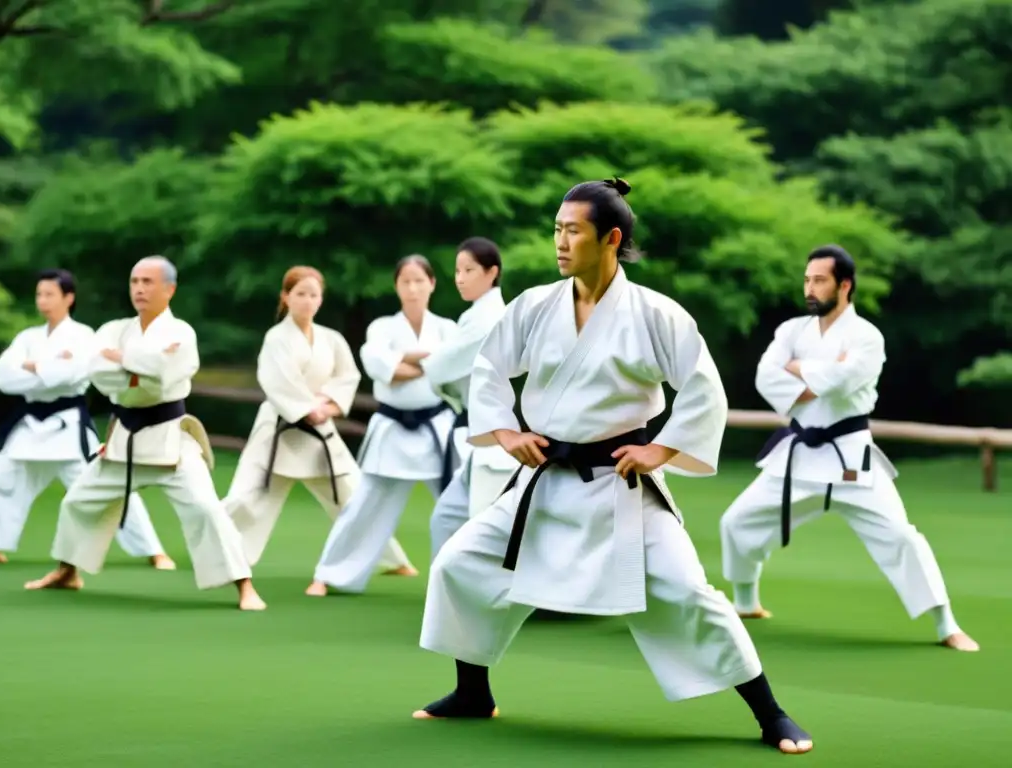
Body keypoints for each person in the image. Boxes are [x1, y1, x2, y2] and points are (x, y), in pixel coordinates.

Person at [413, 179, 813, 755]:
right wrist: (504, 430)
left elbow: (705, 390)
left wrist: (661, 448)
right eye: (557, 229)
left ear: (611, 238)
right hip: (544, 482)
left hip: (621, 486)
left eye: (572, 230)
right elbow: (489, 368)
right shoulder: (535, 306)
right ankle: (472, 692)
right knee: (459, 564)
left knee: (686, 591)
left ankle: (770, 712)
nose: (560, 241)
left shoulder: (654, 314)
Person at [718, 245, 978, 652]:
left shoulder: (867, 337)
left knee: (902, 538)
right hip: (799, 454)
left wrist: (798, 369)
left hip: (851, 459)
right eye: (806, 279)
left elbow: (841, 380)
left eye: (819, 280)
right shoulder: (791, 331)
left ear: (845, 285)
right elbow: (765, 377)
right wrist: (814, 373)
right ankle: (746, 602)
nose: (810, 287)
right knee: (736, 522)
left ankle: (947, 624)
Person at [24, 256, 265, 611]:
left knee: (206, 508)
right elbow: (98, 370)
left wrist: (124, 359)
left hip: (169, 437)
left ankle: (244, 586)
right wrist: (136, 364)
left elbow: (167, 371)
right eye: (135, 281)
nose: (139, 288)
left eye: (148, 282)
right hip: (124, 437)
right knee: (78, 501)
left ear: (170, 289)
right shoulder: (114, 329)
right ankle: (67, 571)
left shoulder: (181, 332)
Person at [222, 266, 416, 581]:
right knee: (247, 498)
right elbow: (278, 381)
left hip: (320, 433)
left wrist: (329, 406)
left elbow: (347, 375)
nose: (308, 301)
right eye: (301, 294)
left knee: (354, 495)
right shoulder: (276, 338)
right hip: (280, 430)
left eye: (314, 295)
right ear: (286, 297)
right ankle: (218, 550)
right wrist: (308, 408)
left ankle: (390, 558)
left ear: (321, 299)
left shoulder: (331, 338)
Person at [0, 268, 174, 570]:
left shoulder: (84, 335)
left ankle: (153, 550)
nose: (42, 300)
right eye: (39, 294)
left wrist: (33, 367)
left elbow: (72, 374)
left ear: (68, 298)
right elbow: (5, 377)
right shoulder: (28, 337)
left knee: (111, 484)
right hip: (30, 427)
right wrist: (46, 367)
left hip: (68, 427)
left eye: (49, 294)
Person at [306, 255, 457, 596]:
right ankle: (329, 574)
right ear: (396, 286)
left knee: (458, 503)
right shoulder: (381, 327)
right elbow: (379, 366)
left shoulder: (448, 328)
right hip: (392, 426)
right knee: (365, 503)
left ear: (432, 284)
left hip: (437, 427)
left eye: (420, 281)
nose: (413, 288)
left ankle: (461, 579)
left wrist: (405, 359)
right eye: (406, 281)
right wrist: (429, 362)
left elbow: (454, 365)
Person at [419, 238, 520, 561]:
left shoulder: (488, 319)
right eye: (457, 271)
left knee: (485, 528)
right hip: (483, 436)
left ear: (492, 273)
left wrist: (422, 363)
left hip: (496, 439)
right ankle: (449, 597)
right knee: (447, 519)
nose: (460, 278)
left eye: (469, 270)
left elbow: (439, 366)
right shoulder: (478, 315)